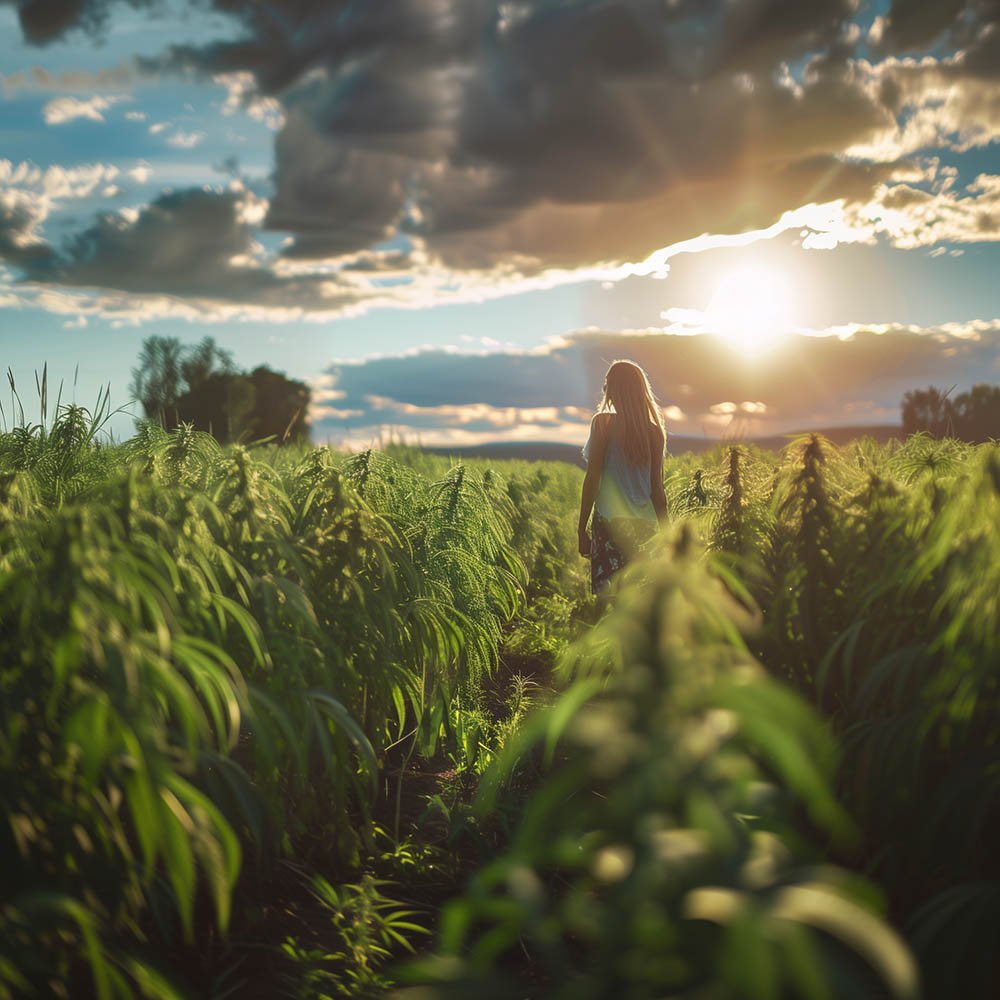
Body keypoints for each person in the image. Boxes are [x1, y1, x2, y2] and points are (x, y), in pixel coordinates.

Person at [578, 359, 668, 596]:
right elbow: (657, 491)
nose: (604, 390)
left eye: (607, 385)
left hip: (610, 523)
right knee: (639, 602)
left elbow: (592, 479)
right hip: (645, 525)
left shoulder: (603, 424)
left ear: (615, 389)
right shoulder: (654, 432)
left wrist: (581, 529)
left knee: (612, 602)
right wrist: (669, 535)